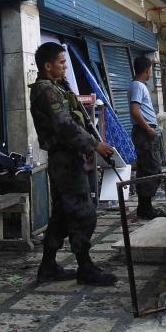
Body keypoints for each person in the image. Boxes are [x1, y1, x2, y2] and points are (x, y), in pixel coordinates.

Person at [30, 42, 118, 284]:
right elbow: (65, 125)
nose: (65, 67)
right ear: (48, 66)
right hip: (65, 161)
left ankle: (47, 267)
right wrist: (94, 145)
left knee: (61, 215)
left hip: (68, 158)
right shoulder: (46, 91)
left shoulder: (57, 88)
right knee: (82, 213)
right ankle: (85, 268)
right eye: (61, 62)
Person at [128, 56, 165, 219]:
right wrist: (148, 129)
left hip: (145, 132)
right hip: (144, 133)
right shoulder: (137, 86)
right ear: (147, 70)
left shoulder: (139, 86)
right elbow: (135, 111)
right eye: (150, 70)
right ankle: (145, 208)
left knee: (147, 169)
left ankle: (145, 207)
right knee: (152, 169)